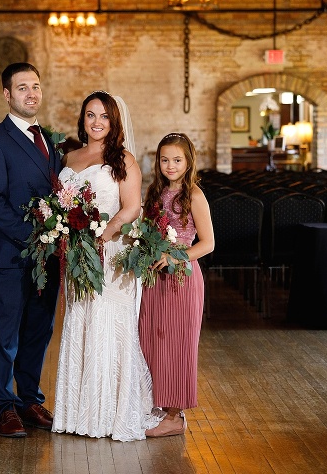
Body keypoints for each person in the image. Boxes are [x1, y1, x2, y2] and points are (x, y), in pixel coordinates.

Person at [51, 91, 162, 442]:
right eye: (90, 115)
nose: (96, 122)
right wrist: (66, 234)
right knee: (79, 320)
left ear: (114, 122)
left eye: (104, 116)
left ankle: (110, 412)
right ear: (82, 120)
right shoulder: (69, 156)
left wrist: (101, 236)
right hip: (76, 253)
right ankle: (78, 412)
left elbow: (131, 207)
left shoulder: (122, 158)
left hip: (110, 253)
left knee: (108, 323)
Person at [0, 62, 62, 438]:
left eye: (36, 87)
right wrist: (34, 235)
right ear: (7, 95)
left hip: (49, 259)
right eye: (23, 88)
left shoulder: (50, 142)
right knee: (5, 334)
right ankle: (4, 407)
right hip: (11, 255)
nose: (32, 94)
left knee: (38, 333)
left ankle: (29, 400)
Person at [139, 132, 215, 437]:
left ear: (188, 162)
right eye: (165, 159)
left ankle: (175, 415)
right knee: (150, 339)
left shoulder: (194, 195)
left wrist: (176, 258)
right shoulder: (153, 193)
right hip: (154, 278)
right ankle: (158, 403)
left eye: (177, 160)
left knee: (178, 346)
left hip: (182, 280)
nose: (170, 165)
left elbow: (208, 243)